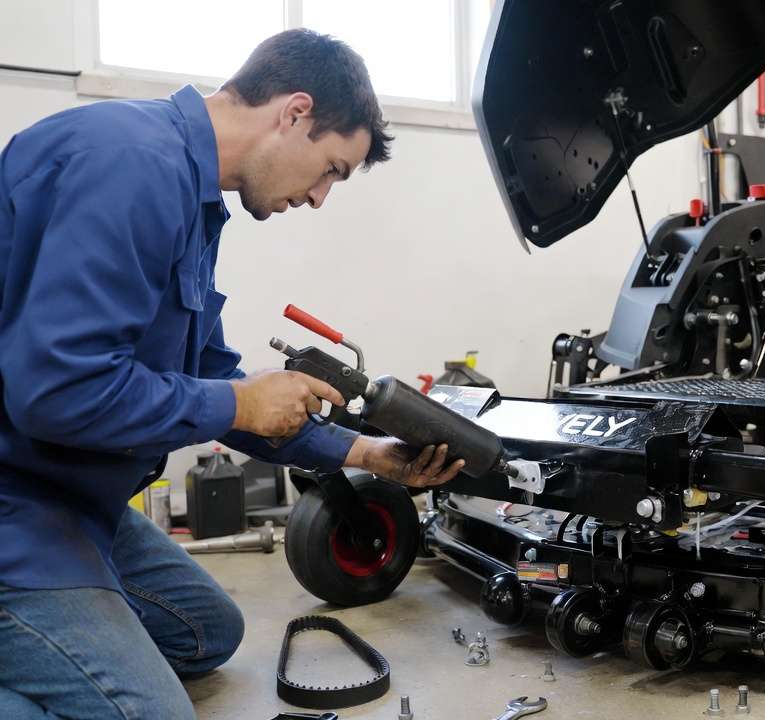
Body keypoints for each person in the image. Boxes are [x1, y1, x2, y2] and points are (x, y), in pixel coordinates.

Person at [0, 29, 463, 719]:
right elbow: (59, 392)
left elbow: (212, 374)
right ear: (295, 112)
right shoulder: (128, 164)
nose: (319, 198)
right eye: (331, 169)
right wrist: (238, 405)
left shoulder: (189, 197)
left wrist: (364, 454)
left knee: (205, 632)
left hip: (75, 501)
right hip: (18, 507)